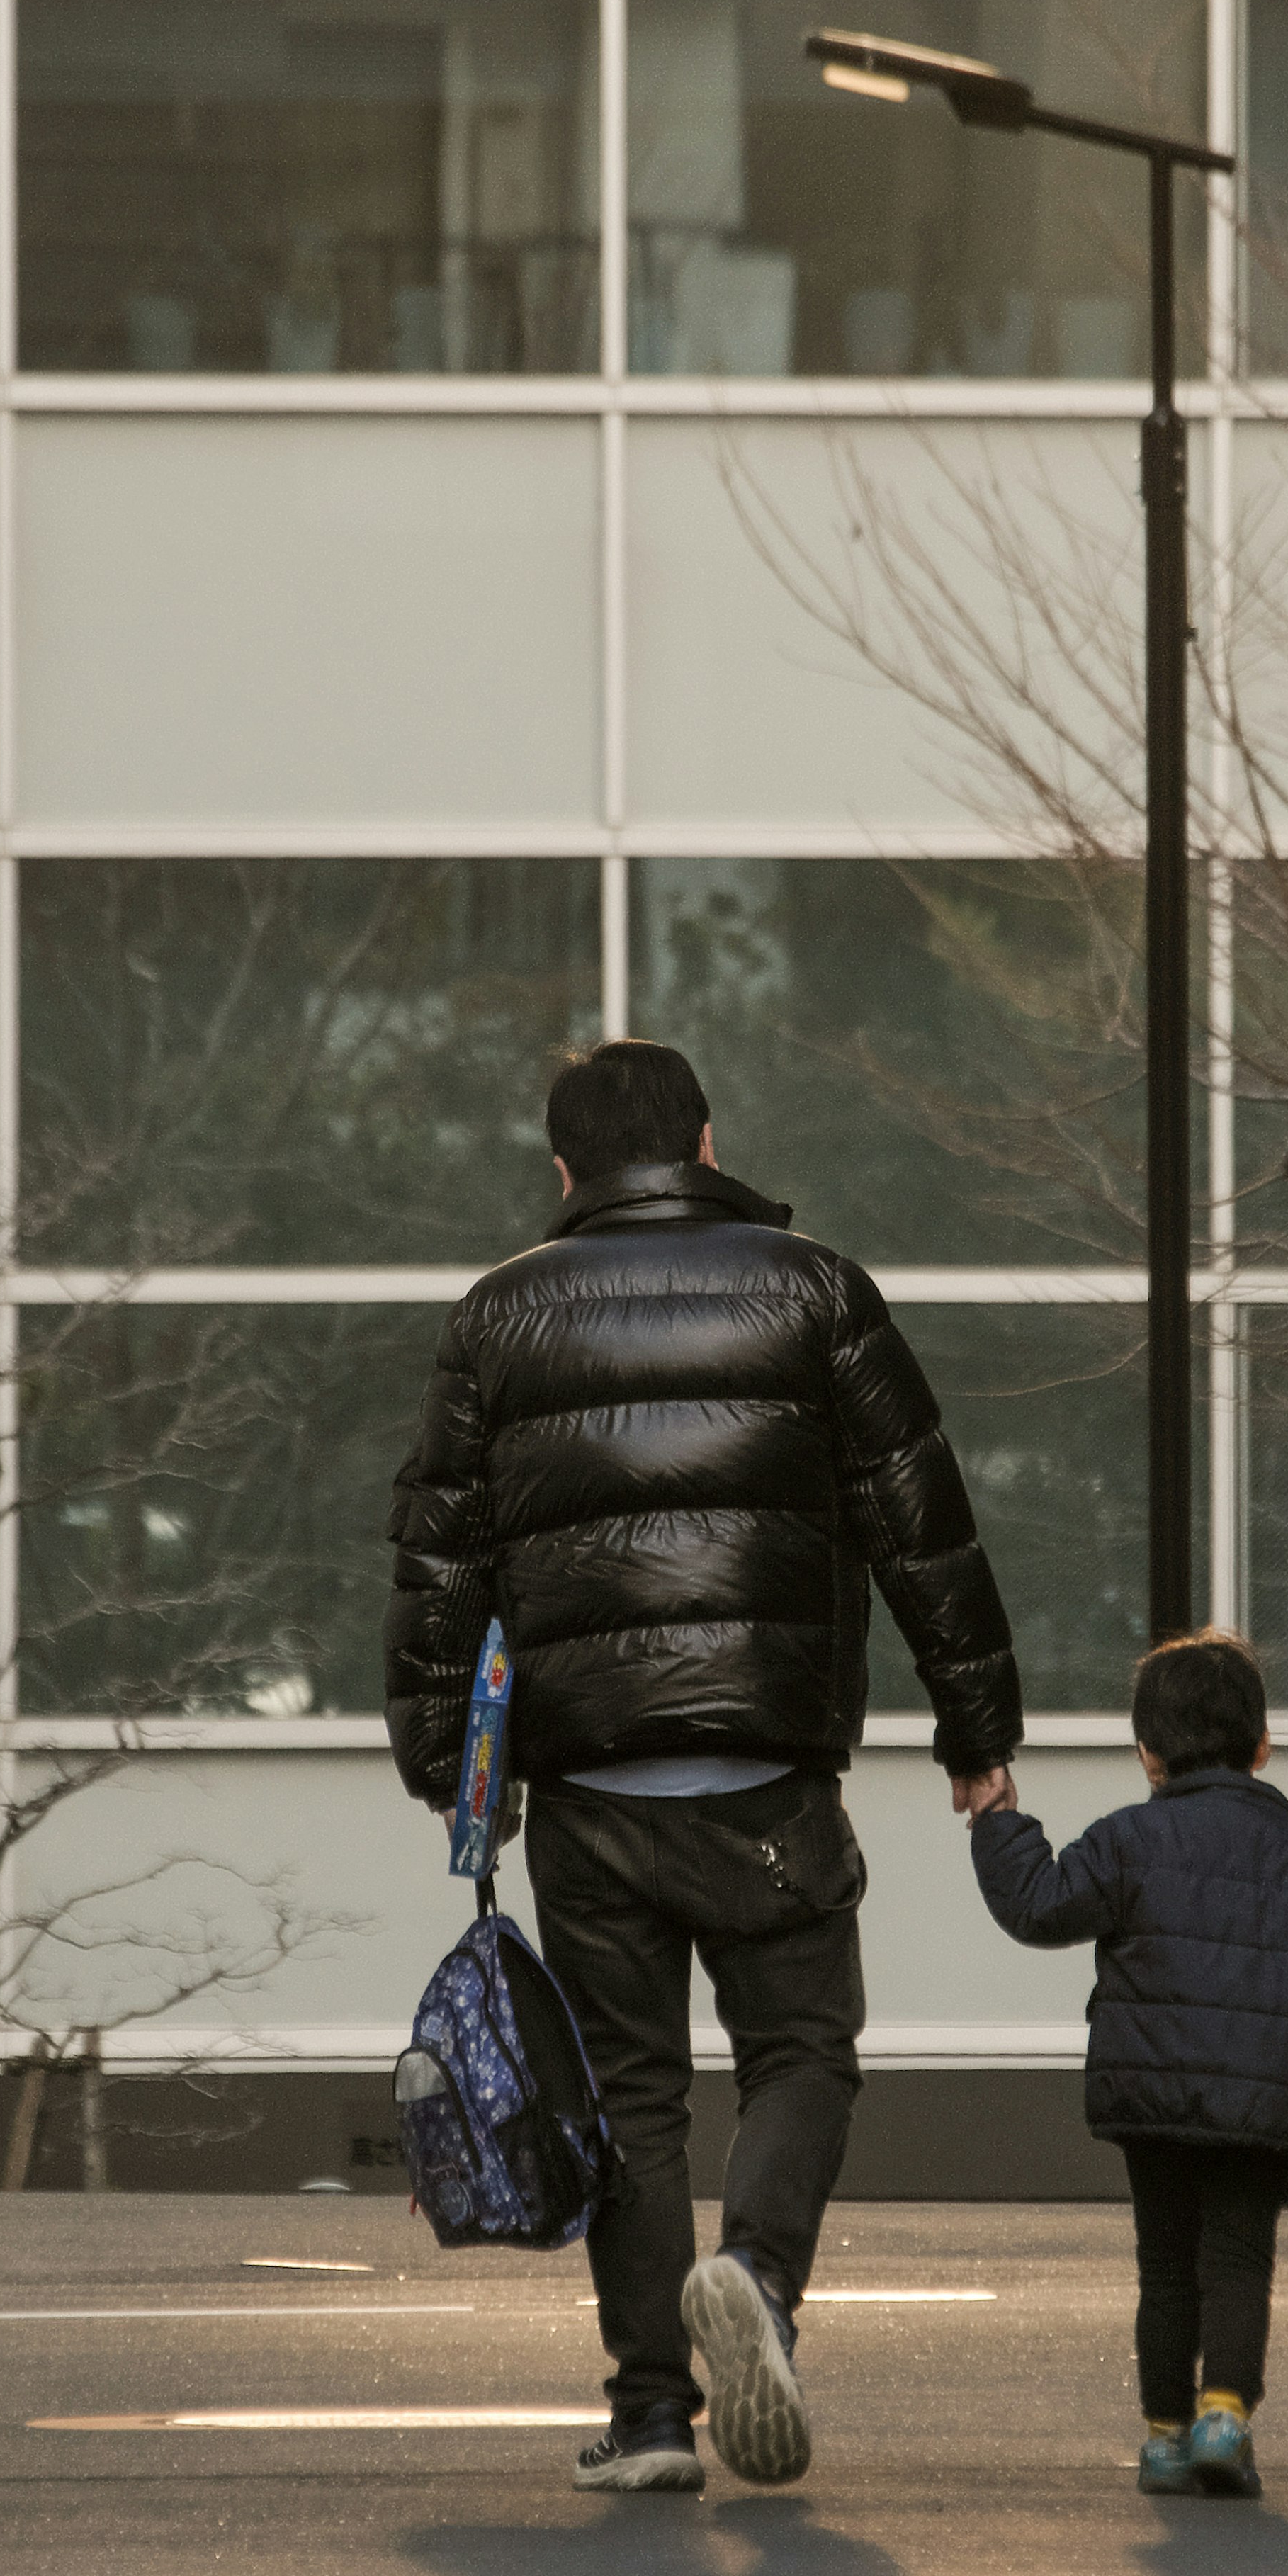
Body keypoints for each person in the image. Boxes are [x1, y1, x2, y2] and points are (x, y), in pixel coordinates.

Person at [381, 1036, 1022, 2496]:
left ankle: (657, 2417)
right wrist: (976, 1731)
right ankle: (761, 2285)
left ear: (562, 1173)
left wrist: (442, 1763)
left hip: (591, 1782)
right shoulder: (817, 1290)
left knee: (633, 2095)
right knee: (802, 2049)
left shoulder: (497, 1318)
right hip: (770, 1769)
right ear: (710, 1139)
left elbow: (440, 1561)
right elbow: (925, 1522)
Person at [969, 1625, 1288, 2499]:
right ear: (1263, 1745)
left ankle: (1166, 2434)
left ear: (1148, 1754)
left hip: (1154, 2090)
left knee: (1166, 2261)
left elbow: (1041, 1904)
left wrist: (997, 1816)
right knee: (1239, 2257)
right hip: (1266, 2109)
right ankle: (1224, 2413)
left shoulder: (1127, 1842)